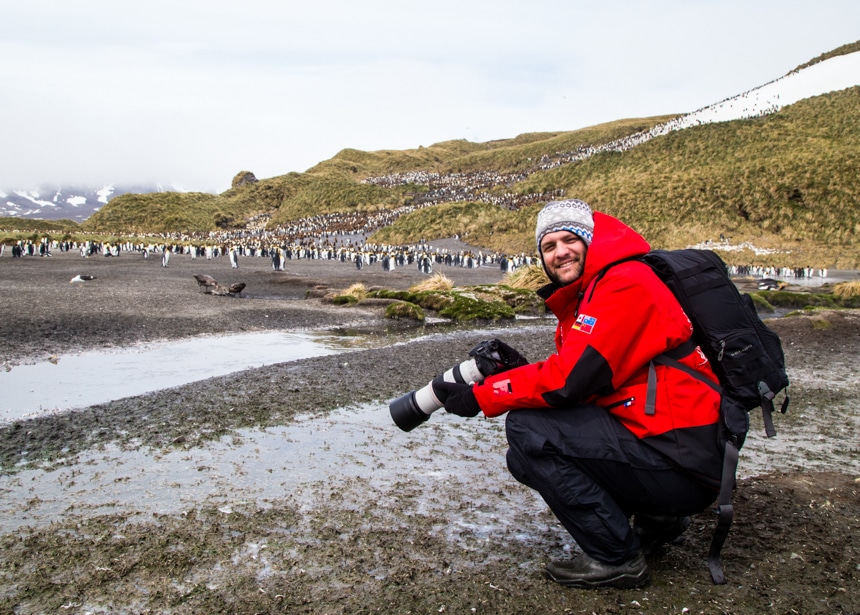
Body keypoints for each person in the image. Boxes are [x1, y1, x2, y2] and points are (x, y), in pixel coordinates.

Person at [435, 199, 724, 589]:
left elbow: (569, 380)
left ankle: (617, 557)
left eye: (570, 240)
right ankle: (660, 519)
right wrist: (519, 374)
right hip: (678, 451)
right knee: (522, 458)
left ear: (591, 241)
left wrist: (485, 395)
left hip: (683, 463)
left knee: (529, 430)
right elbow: (589, 379)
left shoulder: (623, 283)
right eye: (549, 246)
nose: (559, 252)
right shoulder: (598, 288)